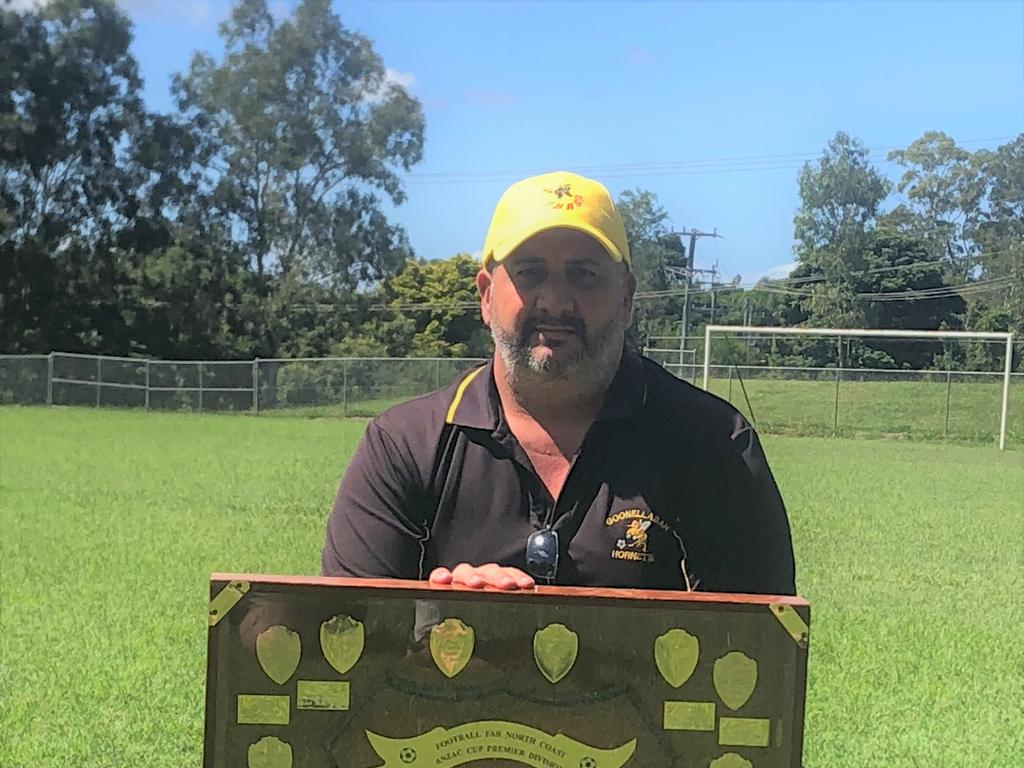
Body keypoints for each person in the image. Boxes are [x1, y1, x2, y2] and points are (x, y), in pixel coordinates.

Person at [322, 171, 795, 595]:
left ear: (626, 297)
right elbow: (345, 644)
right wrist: (447, 628)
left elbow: (756, 657)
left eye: (583, 274)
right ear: (487, 296)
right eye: (529, 273)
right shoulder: (404, 445)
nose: (555, 300)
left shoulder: (713, 445)